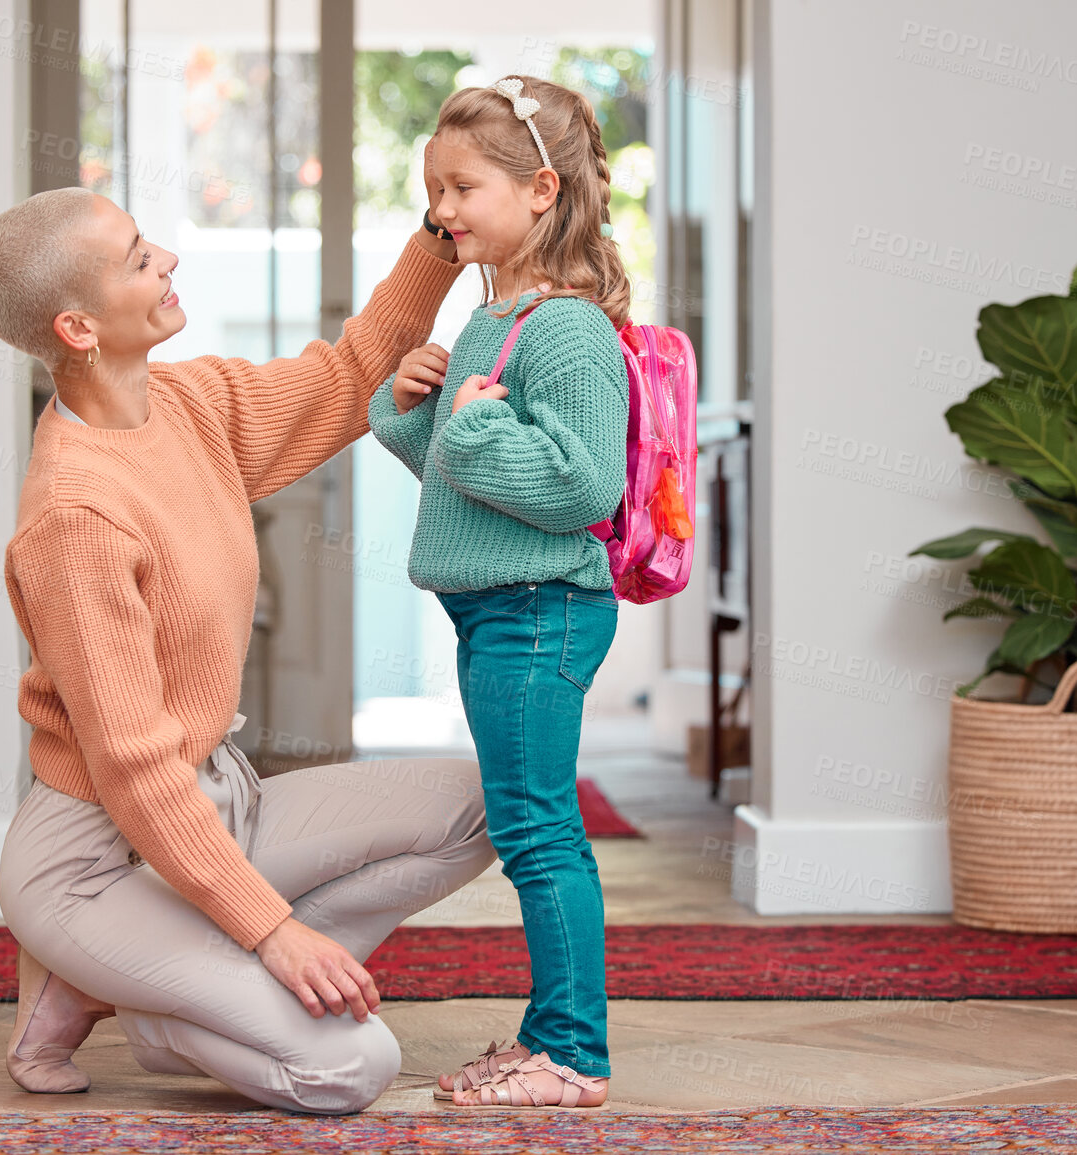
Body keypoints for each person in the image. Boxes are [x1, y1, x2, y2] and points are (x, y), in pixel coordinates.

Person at [0, 143, 498, 1115]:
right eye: (137, 258)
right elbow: (133, 773)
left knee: (483, 801)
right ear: (78, 326)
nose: (166, 257)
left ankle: (152, 977)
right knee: (353, 1068)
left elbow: (350, 376)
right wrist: (272, 934)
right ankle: (158, 1006)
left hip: (224, 807)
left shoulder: (189, 403)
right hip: (94, 860)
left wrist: (443, 234)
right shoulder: (75, 518)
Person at [366, 75, 631, 1109]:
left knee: (536, 828)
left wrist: (472, 425)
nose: (442, 209)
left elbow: (583, 486)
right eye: (434, 188)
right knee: (529, 822)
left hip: (540, 606)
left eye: (463, 186)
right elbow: (465, 473)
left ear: (539, 190)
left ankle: (571, 1053)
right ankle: (546, 1036)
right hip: (499, 607)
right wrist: (411, 412)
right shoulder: (496, 318)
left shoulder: (566, 330)